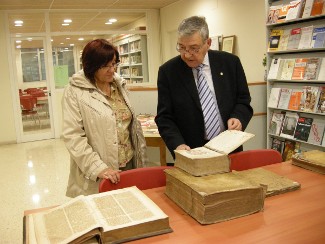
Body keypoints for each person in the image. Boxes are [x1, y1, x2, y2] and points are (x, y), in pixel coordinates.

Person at [155, 16, 253, 159]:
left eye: (194, 48)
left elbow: (243, 100)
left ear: (208, 43)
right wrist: (177, 144)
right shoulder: (168, 72)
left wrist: (238, 118)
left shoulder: (230, 63)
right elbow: (164, 117)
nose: (187, 55)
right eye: (181, 47)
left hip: (229, 149)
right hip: (191, 152)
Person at [62, 39, 148, 197]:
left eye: (114, 63)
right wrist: (98, 168)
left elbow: (130, 126)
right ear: (91, 66)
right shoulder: (75, 91)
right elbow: (73, 136)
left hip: (129, 163)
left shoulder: (119, 86)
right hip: (101, 170)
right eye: (105, 66)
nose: (112, 70)